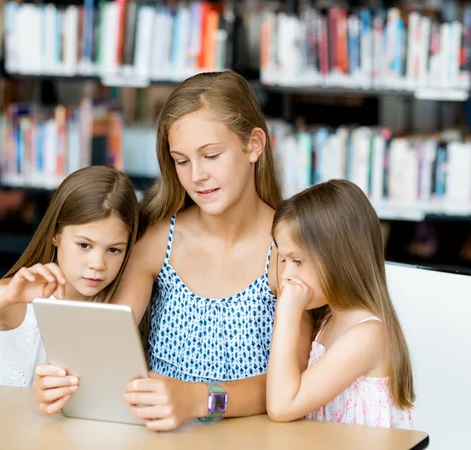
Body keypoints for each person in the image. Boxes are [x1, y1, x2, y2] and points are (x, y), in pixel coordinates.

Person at [33, 71, 312, 430]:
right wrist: (62, 385)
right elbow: (103, 347)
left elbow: (291, 385)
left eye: (211, 155)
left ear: (254, 145)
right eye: (181, 161)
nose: (196, 175)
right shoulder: (158, 240)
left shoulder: (288, 251)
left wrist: (198, 398)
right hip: (162, 438)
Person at [0, 166, 139, 388]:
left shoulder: (119, 307)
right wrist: (5, 297)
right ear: (56, 235)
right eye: (84, 245)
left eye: (114, 250)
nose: (97, 264)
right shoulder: (16, 298)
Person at [266, 179, 414, 429]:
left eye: (298, 261)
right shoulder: (328, 318)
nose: (286, 276)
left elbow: (282, 406)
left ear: (338, 258)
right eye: (284, 260)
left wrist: (287, 315)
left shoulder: (367, 335)